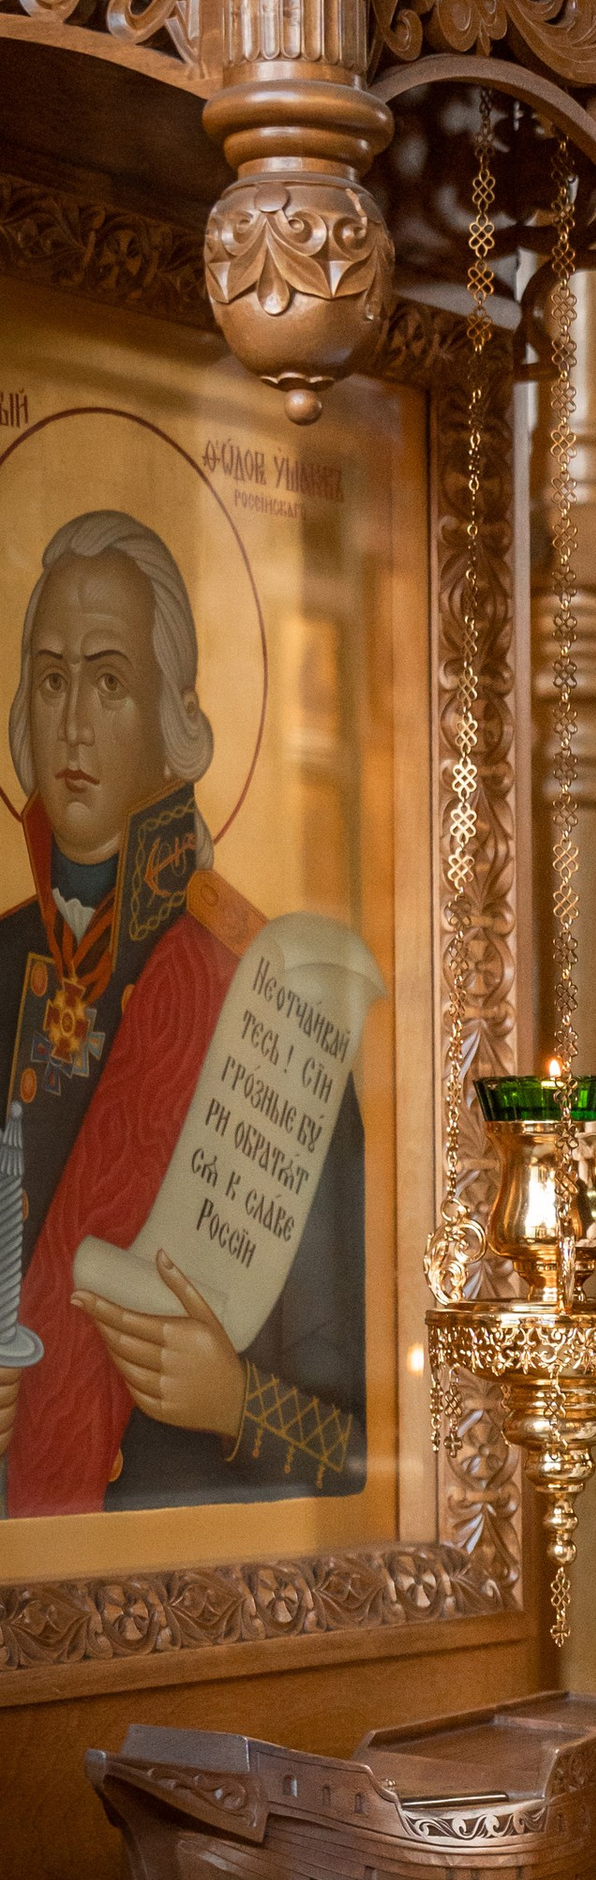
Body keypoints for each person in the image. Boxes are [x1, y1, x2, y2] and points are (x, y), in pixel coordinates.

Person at [0, 508, 365, 1516]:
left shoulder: (267, 1008)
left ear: (175, 719)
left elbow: (373, 1453)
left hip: (194, 1573)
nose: (74, 724)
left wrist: (238, 1401)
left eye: (110, 682)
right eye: (52, 678)